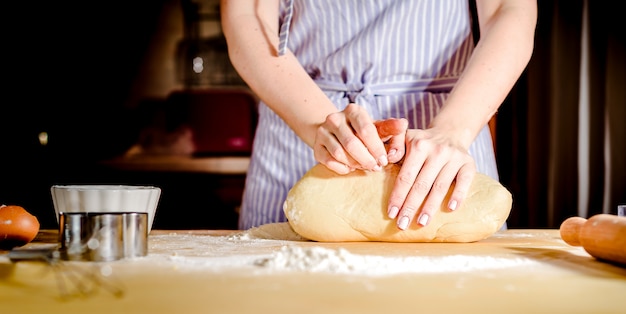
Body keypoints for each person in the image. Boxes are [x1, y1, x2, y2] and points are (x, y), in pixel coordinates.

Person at [221, 0, 537, 231]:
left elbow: (508, 9)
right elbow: (245, 11)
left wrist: (453, 131)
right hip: (301, 117)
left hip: (449, 128)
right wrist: (318, 122)